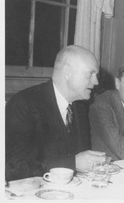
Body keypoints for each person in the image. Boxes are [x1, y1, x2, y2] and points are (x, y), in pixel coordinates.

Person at [5, 45, 106, 181]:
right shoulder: (23, 104)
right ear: (67, 72)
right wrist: (73, 163)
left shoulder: (80, 107)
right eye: (90, 74)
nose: (96, 81)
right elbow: (13, 167)